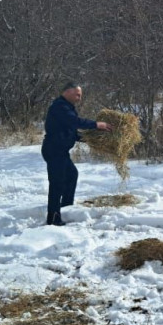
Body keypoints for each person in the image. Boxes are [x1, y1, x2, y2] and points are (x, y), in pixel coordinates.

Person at [41, 82, 111, 226]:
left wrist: (90, 140)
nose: (79, 98)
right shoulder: (60, 107)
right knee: (57, 184)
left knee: (72, 175)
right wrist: (97, 125)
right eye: (77, 94)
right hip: (54, 150)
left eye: (80, 95)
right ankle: (53, 219)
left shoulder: (67, 107)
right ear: (67, 92)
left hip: (60, 151)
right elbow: (75, 122)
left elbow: (70, 130)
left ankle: (66, 208)